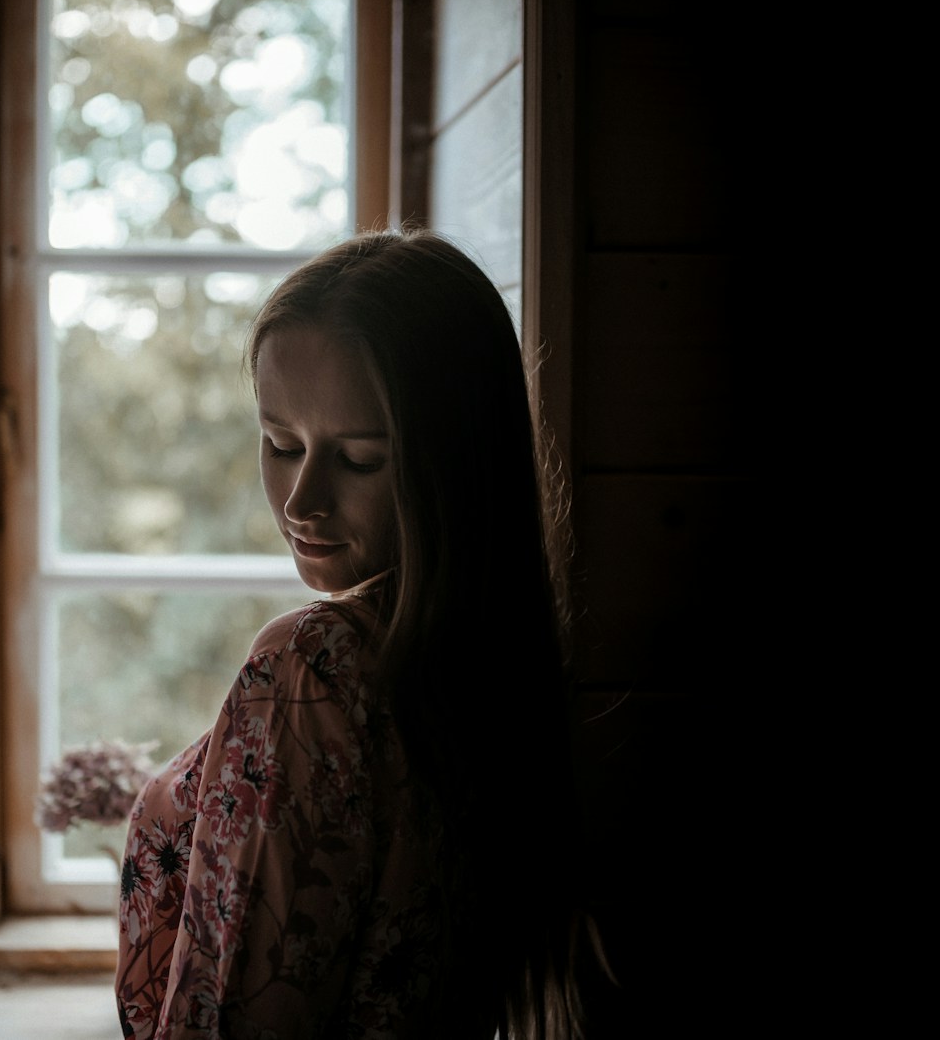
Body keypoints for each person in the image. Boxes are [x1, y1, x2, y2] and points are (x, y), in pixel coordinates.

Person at [115, 228, 603, 1038]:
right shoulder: (495, 664)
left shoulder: (312, 666)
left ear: (454, 459)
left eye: (361, 458)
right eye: (280, 444)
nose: (302, 499)